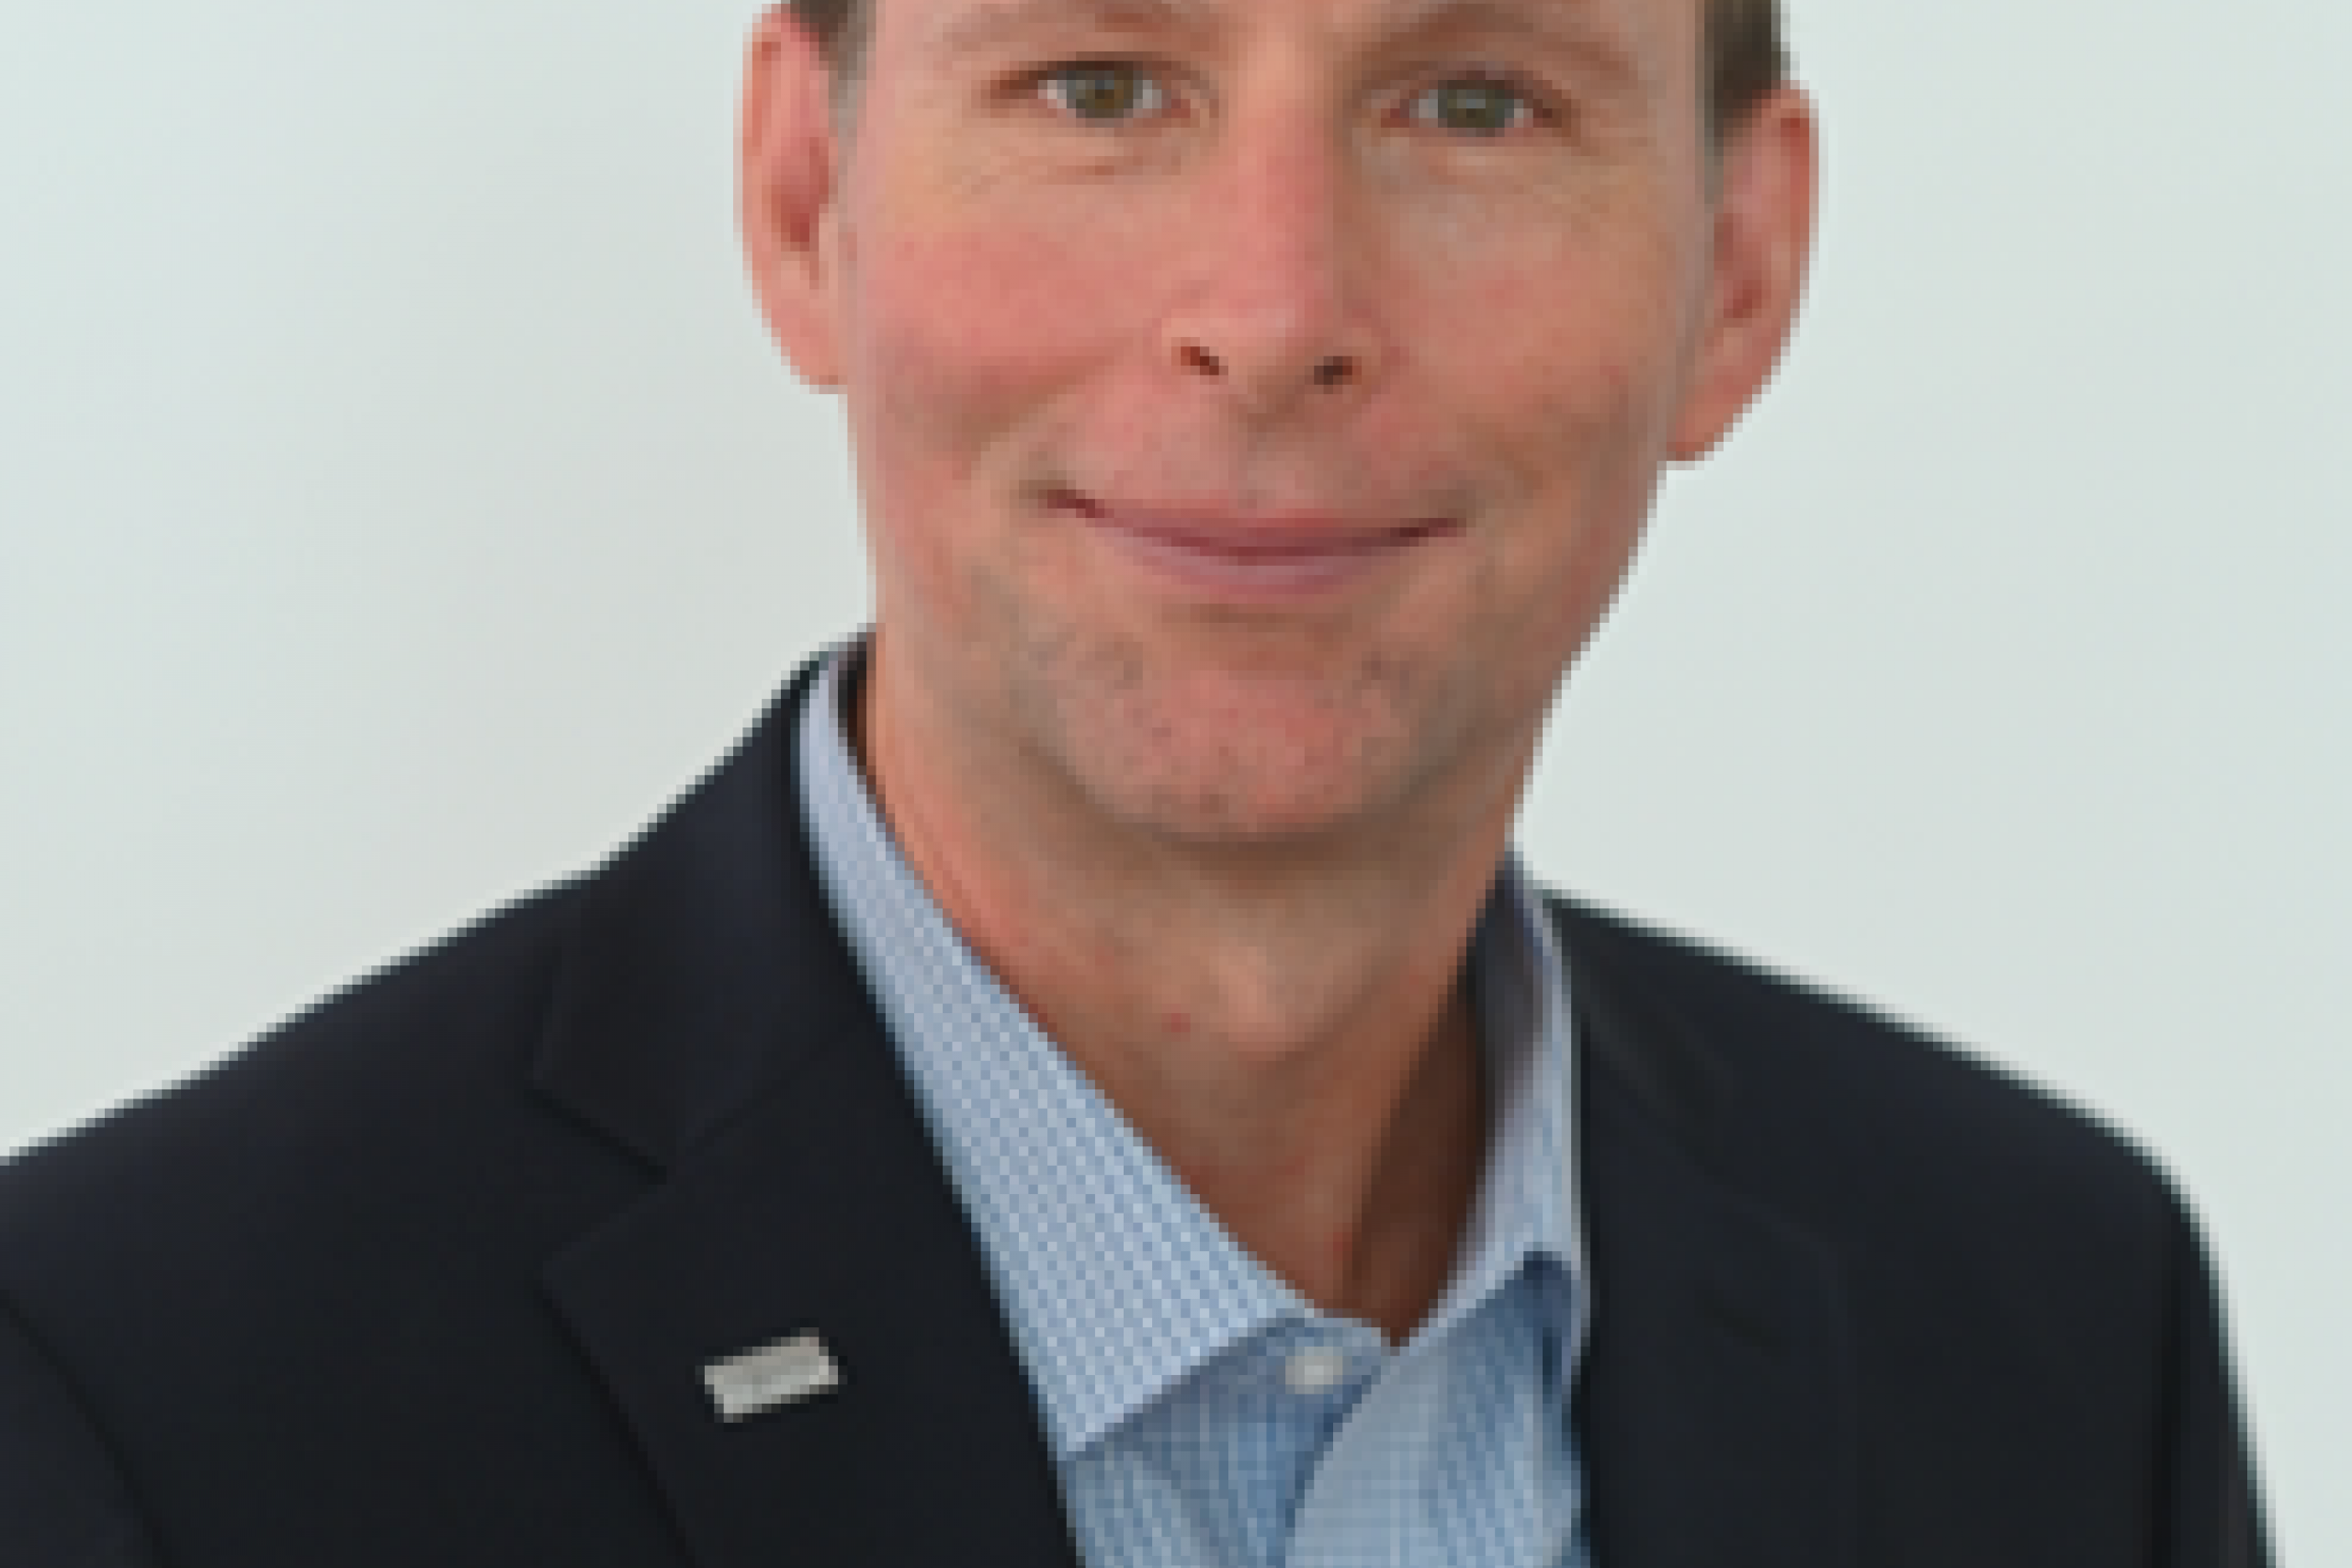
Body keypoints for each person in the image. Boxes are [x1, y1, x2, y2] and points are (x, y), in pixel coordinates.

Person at [0, 0, 2268, 1562]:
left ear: (1737, 271)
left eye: (1472, 99)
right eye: (1099, 83)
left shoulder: (2057, 1329)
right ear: (809, 198)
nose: (1271, 305)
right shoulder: (140, 1402)